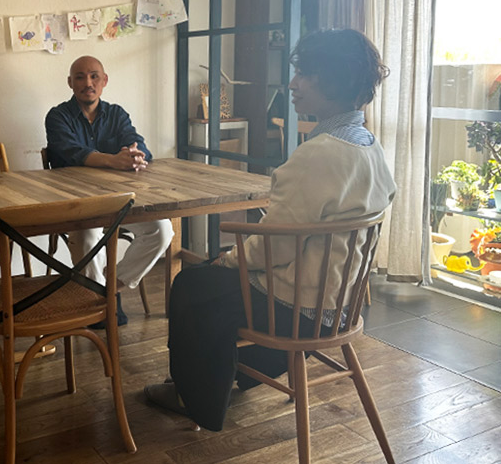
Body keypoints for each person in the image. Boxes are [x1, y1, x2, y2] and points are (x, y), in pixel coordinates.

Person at [144, 29, 397, 430]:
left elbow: (272, 246)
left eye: (305, 74)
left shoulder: (320, 153)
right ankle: (235, 374)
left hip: (297, 309)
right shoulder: (369, 145)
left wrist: (226, 261)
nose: (293, 84)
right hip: (339, 305)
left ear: (333, 80)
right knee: (214, 281)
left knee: (192, 284)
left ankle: (194, 398)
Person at [45, 55, 174, 325]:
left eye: (94, 76)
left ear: (104, 81)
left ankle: (108, 290)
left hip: (119, 202)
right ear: (70, 83)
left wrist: (135, 154)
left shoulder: (117, 114)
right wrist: (113, 160)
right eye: (80, 77)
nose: (88, 83)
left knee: (162, 229)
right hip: (77, 204)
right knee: (87, 236)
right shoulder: (57, 116)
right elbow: (70, 152)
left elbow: (137, 142)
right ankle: (98, 304)